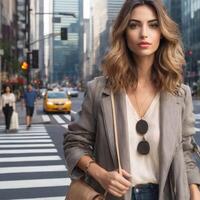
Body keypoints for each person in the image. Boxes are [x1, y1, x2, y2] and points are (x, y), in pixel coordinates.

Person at [63, 0, 200, 199]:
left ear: (162, 33)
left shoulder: (179, 94)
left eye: (153, 25)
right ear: (123, 32)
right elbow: (74, 143)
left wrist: (194, 192)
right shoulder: (99, 91)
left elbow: (185, 151)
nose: (144, 33)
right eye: (134, 25)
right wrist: (102, 176)